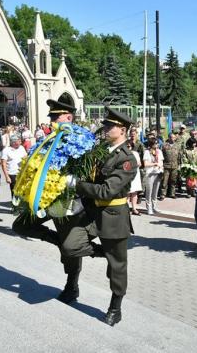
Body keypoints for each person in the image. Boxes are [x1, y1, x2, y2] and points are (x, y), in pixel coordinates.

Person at [13, 99, 102, 305]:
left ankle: (72, 286)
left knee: (71, 249)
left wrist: (71, 181)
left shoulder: (83, 139)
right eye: (51, 117)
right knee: (20, 226)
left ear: (69, 118)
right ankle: (58, 241)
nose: (52, 120)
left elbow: (90, 171)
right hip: (45, 200)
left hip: (70, 203)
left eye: (56, 117)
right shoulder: (48, 139)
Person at [75, 106, 138, 326]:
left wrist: (78, 186)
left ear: (122, 130)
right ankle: (103, 254)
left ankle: (115, 306)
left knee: (117, 266)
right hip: (91, 212)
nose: (106, 128)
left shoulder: (127, 159)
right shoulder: (102, 149)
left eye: (110, 125)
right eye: (106, 124)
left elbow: (106, 191)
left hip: (113, 216)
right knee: (70, 245)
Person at [0, 133, 27, 198]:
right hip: (12, 174)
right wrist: (7, 177)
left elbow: (26, 157)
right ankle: (15, 206)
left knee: (23, 191)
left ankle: (22, 206)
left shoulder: (21, 148)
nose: (20, 142)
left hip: (22, 173)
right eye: (19, 141)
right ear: (13, 142)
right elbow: (3, 164)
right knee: (15, 192)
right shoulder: (6, 150)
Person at [143, 138, 164, 215]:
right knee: (149, 191)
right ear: (151, 144)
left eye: (157, 143)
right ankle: (149, 208)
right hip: (150, 174)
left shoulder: (159, 151)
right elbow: (145, 164)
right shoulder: (147, 152)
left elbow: (161, 162)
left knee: (155, 191)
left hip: (158, 173)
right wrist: (154, 164)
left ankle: (154, 206)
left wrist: (161, 167)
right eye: (155, 143)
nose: (157, 145)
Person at [160, 132, 181, 199]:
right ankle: (163, 194)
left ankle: (172, 193)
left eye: (174, 137)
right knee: (164, 181)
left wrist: (180, 164)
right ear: (168, 138)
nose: (172, 139)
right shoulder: (164, 145)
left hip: (175, 166)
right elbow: (161, 155)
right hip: (166, 166)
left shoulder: (177, 146)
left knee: (173, 181)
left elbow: (179, 156)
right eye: (171, 137)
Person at [125, 141, 142, 215]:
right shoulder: (123, 154)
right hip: (126, 175)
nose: (128, 148)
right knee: (127, 193)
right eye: (127, 146)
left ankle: (134, 208)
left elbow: (139, 163)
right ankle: (126, 209)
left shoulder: (135, 153)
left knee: (134, 192)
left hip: (135, 174)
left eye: (129, 146)